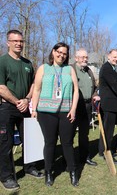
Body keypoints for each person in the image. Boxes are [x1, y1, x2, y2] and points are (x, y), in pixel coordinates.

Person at [0, 30, 44, 191]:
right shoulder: (3, 61)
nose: (18, 44)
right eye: (15, 41)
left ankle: (30, 167)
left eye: (21, 41)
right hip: (7, 108)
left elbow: (34, 85)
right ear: (8, 42)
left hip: (25, 106)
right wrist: (16, 101)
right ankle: (7, 176)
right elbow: (1, 87)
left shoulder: (27, 63)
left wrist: (26, 100)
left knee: (30, 140)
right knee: (6, 143)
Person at [31, 42, 79, 187]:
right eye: (59, 52)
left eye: (64, 53)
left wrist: (73, 109)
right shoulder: (43, 68)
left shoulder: (69, 69)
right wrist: (34, 109)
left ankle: (72, 171)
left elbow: (76, 90)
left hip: (66, 112)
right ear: (53, 52)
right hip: (46, 112)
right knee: (50, 143)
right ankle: (48, 172)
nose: (61, 55)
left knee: (67, 143)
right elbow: (37, 89)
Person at [72, 48, 98, 166]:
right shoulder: (71, 69)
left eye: (86, 57)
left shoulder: (89, 71)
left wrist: (95, 94)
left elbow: (95, 86)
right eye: (82, 57)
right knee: (70, 133)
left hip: (87, 106)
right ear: (76, 58)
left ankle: (84, 157)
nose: (85, 59)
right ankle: (69, 159)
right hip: (75, 106)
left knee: (84, 133)